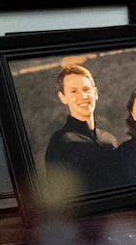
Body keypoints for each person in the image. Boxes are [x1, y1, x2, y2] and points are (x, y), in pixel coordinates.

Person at [43, 64, 118, 193]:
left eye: (86, 89)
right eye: (73, 91)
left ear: (95, 93)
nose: (83, 96)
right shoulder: (60, 143)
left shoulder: (109, 140)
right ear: (63, 97)